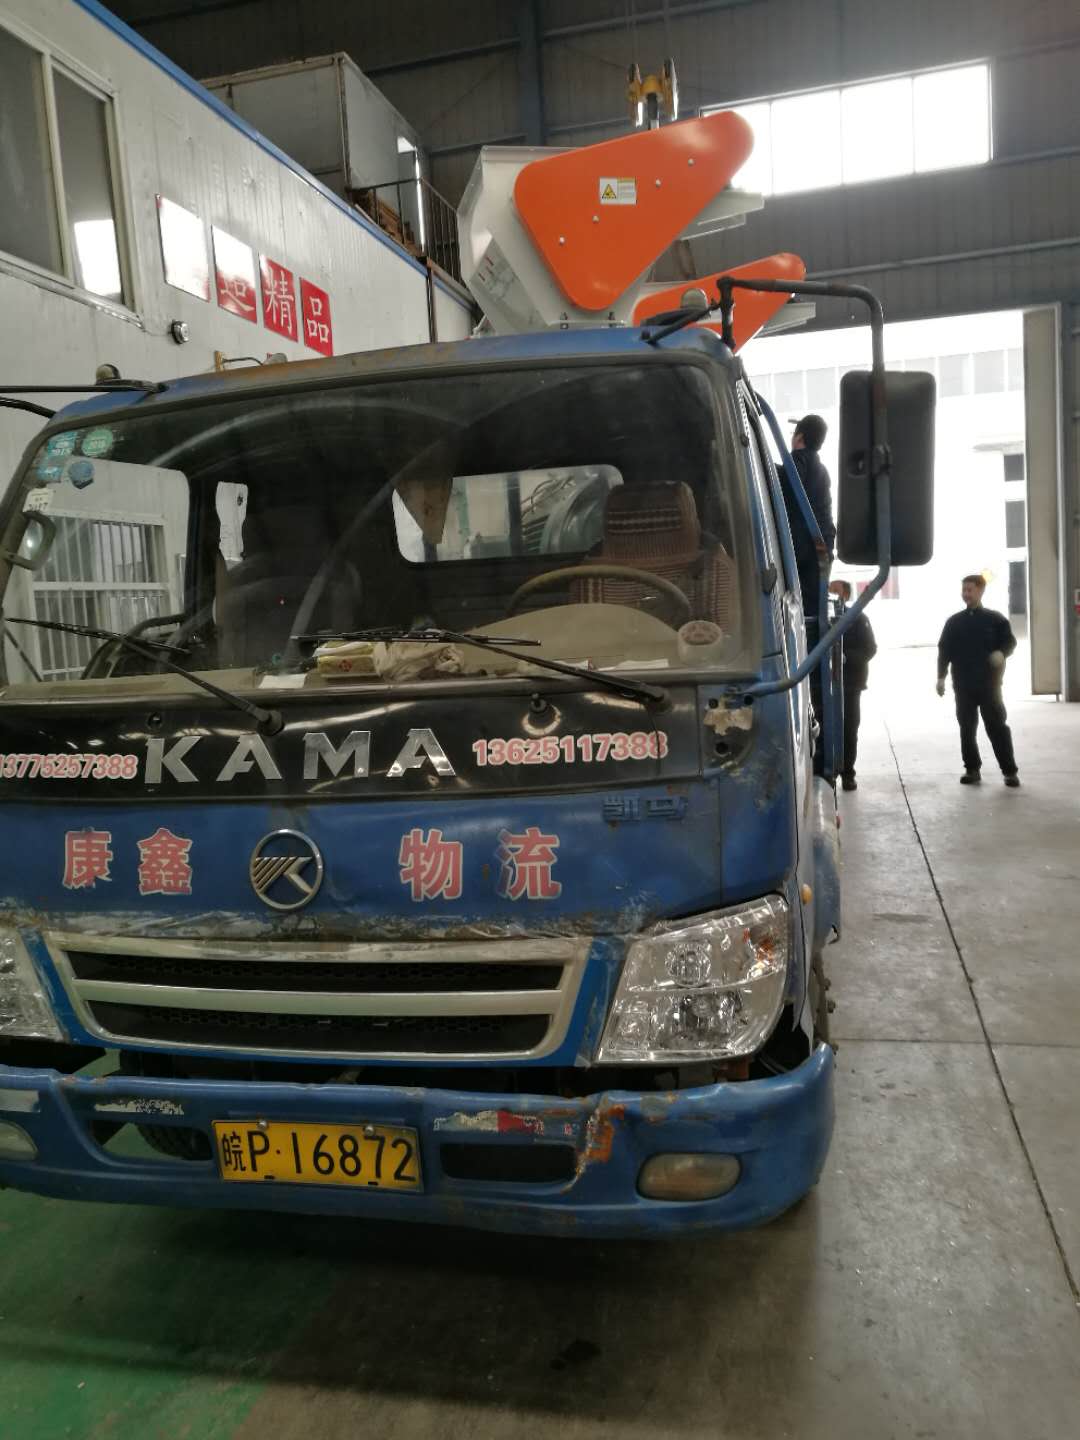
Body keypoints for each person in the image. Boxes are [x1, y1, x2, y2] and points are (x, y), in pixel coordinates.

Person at [936, 574, 1020, 787]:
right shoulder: (954, 622)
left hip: (989, 685)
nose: (966, 594)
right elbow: (944, 651)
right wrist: (941, 677)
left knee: (997, 727)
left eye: (970, 590)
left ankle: (1009, 771)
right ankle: (972, 769)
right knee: (967, 728)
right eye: (964, 590)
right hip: (963, 685)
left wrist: (1002, 653)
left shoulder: (995, 619)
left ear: (981, 591)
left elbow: (1010, 641)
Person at [830, 579, 877, 791]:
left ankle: (848, 773)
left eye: (836, 590)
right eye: (829, 590)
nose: (831, 594)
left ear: (846, 595)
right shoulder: (823, 619)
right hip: (826, 686)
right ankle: (827, 772)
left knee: (849, 729)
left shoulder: (858, 618)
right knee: (825, 729)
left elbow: (870, 649)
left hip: (850, 685)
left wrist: (845, 657)